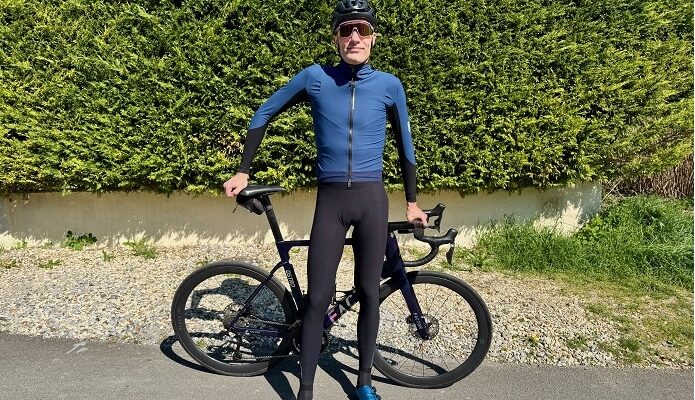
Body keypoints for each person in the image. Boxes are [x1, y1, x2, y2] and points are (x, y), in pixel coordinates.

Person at [223, 1, 427, 398]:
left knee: (369, 293)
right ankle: (306, 389)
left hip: (372, 200)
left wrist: (412, 201)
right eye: (346, 30)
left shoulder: (390, 85)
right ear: (335, 38)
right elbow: (263, 113)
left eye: (362, 30)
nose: (355, 37)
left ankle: (364, 382)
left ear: (373, 38)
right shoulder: (315, 78)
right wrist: (244, 170)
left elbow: (406, 145)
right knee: (317, 299)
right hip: (331, 201)